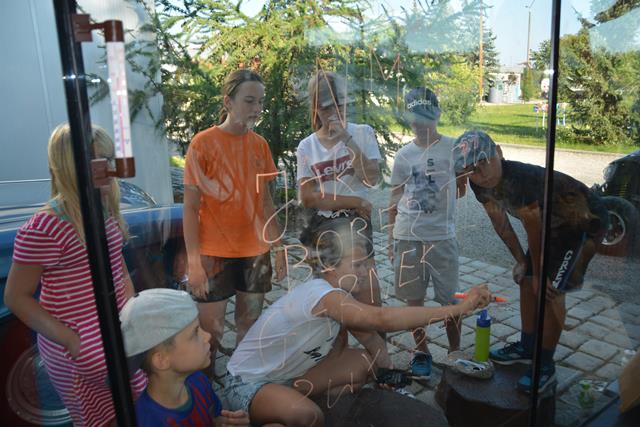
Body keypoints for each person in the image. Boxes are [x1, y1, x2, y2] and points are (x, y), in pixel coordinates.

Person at [221, 223, 491, 426]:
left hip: (291, 377)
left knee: (365, 362)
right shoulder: (322, 295)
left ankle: (286, 403)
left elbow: (371, 338)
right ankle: (278, 410)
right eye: (358, 265)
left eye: (367, 264)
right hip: (247, 383)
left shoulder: (340, 295)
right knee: (308, 416)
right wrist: (459, 308)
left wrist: (387, 377)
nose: (366, 271)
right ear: (330, 266)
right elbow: (381, 319)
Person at [4, 124, 147, 426]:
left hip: (118, 332)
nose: (111, 169)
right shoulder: (45, 227)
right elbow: (15, 297)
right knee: (102, 418)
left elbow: (117, 266)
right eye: (100, 161)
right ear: (73, 167)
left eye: (110, 159)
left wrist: (133, 310)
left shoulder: (102, 209)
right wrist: (70, 340)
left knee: (136, 405)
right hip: (80, 350)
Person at [454, 130, 608, 393]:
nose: (481, 172)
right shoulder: (478, 185)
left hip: (582, 221)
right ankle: (527, 346)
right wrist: (522, 263)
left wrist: (539, 274)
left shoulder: (520, 180)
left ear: (499, 152)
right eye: (471, 169)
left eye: (484, 161)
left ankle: (545, 365)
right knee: (526, 282)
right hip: (551, 225)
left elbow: (533, 229)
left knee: (550, 291)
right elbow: (501, 224)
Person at [183, 69, 286, 372]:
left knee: (250, 327)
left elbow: (265, 202)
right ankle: (206, 385)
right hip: (213, 255)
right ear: (228, 102)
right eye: (249, 101)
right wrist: (193, 263)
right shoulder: (202, 144)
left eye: (261, 102)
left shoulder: (260, 145)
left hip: (255, 253)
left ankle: (240, 381)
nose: (257, 108)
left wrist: (279, 247)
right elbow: (190, 208)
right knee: (210, 332)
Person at [387, 87, 467, 379]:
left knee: (450, 300)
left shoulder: (453, 149)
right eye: (415, 116)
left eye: (426, 115)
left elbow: (462, 187)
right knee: (414, 301)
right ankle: (421, 351)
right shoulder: (404, 155)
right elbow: (394, 198)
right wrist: (390, 240)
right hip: (407, 237)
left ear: (438, 114)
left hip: (442, 239)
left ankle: (455, 351)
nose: (420, 123)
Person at [296, 70, 383, 307]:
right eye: (326, 108)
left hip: (356, 224)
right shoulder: (306, 146)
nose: (335, 113)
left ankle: (373, 332)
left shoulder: (363, 133)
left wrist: (347, 139)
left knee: (369, 295)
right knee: (335, 300)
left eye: (340, 105)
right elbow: (308, 198)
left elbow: (371, 178)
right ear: (316, 109)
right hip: (325, 226)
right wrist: (354, 201)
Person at [120, 288, 250, 426]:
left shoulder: (199, 381)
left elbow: (212, 419)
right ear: (162, 360)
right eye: (195, 332)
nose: (207, 336)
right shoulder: (146, 421)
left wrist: (225, 422)